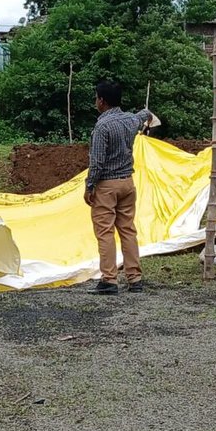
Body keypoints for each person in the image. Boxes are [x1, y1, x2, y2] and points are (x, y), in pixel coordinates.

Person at [86, 81, 153, 295]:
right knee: (128, 230)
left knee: (105, 232)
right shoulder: (130, 120)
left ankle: (109, 279)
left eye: (96, 97)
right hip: (127, 183)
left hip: (107, 185)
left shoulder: (102, 127)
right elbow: (144, 115)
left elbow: (97, 161)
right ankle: (135, 278)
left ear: (102, 101)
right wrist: (148, 114)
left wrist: (89, 186)